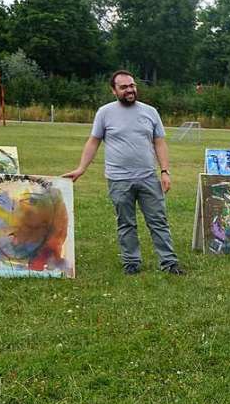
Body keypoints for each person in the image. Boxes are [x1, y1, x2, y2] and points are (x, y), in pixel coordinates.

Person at [63, 70, 184, 275]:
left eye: (132, 85)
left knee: (158, 221)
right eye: (124, 87)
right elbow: (94, 141)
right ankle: (131, 263)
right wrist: (81, 169)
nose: (130, 90)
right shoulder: (104, 113)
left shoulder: (150, 112)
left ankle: (169, 263)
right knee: (126, 223)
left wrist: (165, 171)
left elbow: (159, 143)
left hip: (148, 177)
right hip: (118, 180)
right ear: (114, 90)